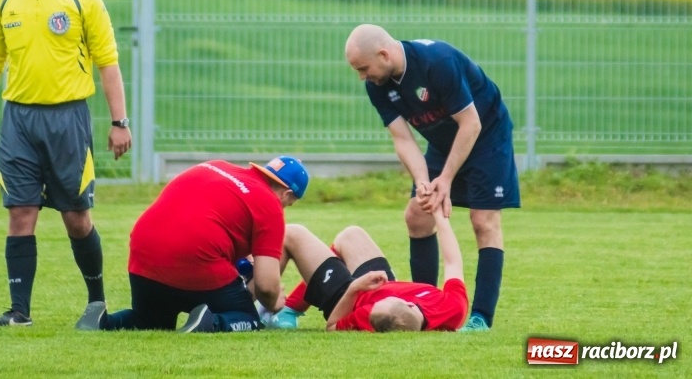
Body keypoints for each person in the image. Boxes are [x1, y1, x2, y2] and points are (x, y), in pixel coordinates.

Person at [0, 0, 132, 327]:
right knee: (20, 212)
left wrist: (119, 121)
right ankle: (19, 311)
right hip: (18, 119)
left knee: (76, 217)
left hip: (67, 119)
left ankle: (96, 302)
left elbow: (108, 63)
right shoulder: (4, 1)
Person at [343, 23, 520, 331]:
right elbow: (403, 138)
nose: (361, 76)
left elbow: (471, 124)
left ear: (384, 54)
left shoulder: (437, 62)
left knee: (483, 221)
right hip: (443, 141)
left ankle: (480, 318)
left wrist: (446, 179)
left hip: (486, 134)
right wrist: (424, 182)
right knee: (417, 214)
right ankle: (422, 300)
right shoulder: (377, 85)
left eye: (363, 68)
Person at [73, 156, 310, 333]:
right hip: (193, 260)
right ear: (287, 193)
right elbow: (267, 287)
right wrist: (275, 301)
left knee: (150, 322)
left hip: (143, 254)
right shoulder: (270, 205)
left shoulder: (214, 165)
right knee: (247, 318)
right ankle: (209, 322)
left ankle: (103, 321)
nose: (285, 208)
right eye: (290, 203)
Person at [270, 207, 467, 332]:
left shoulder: (371, 315)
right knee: (351, 235)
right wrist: (440, 216)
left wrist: (355, 287)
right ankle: (294, 307)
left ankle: (271, 307)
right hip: (382, 280)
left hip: (345, 296)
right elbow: (453, 263)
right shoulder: (453, 309)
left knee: (292, 233)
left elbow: (331, 326)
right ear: (410, 305)